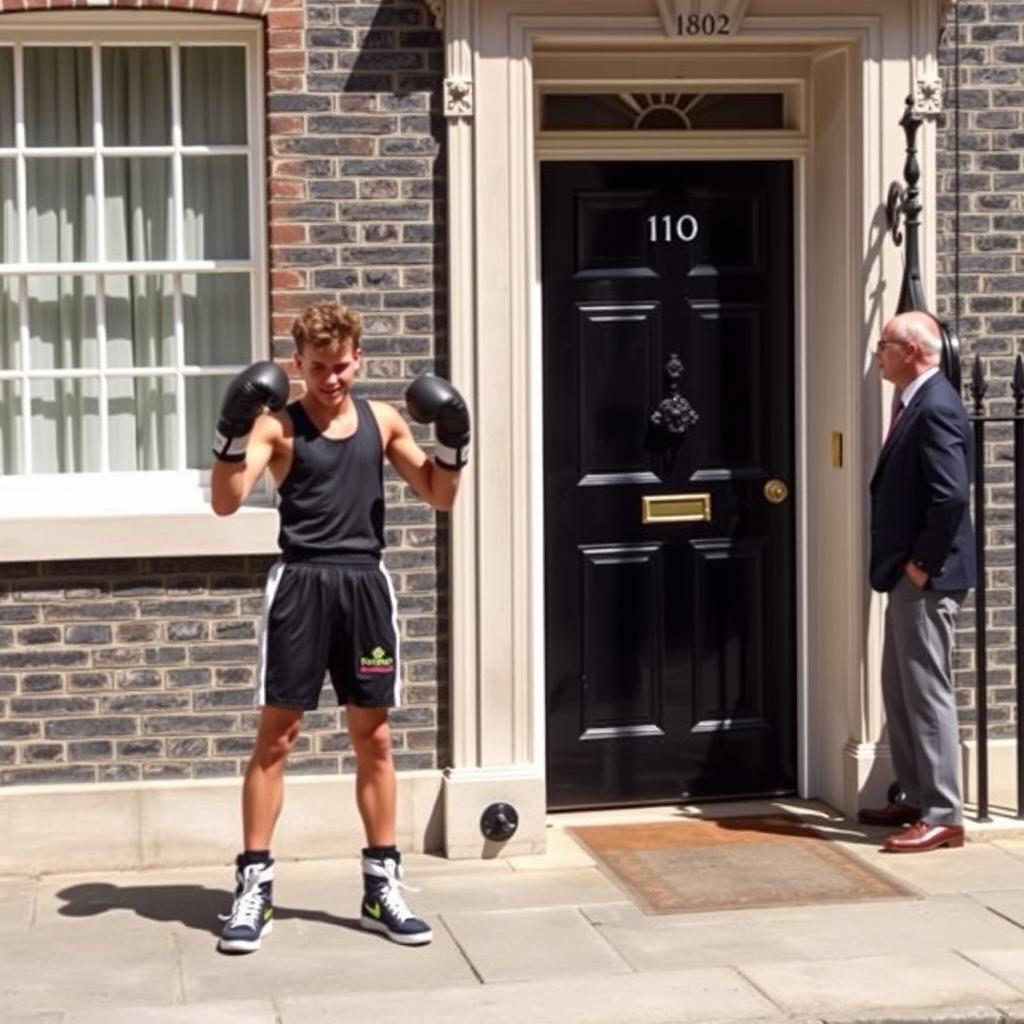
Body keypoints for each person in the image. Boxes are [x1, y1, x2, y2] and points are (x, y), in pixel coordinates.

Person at [209, 302, 470, 952]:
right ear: (298, 364)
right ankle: (254, 890)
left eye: (342, 366)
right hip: (300, 584)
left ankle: (382, 886)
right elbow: (224, 501)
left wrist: (455, 441)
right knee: (279, 736)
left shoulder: (381, 421)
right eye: (319, 367)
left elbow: (439, 496)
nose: (332, 378)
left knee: (374, 738)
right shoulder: (278, 425)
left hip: (364, 585)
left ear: (359, 359)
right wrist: (229, 435)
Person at [857, 310, 974, 853]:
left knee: (927, 695)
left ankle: (944, 813)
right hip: (906, 575)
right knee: (899, 690)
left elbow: (951, 494)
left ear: (912, 350)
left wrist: (920, 567)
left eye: (884, 344)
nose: (878, 353)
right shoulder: (914, 402)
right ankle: (917, 794)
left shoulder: (936, 406)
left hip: (926, 578)